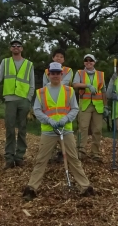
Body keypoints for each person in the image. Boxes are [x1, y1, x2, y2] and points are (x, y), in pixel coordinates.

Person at [23, 62, 93, 200]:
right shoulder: (41, 92)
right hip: (48, 131)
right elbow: (37, 110)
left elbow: (75, 109)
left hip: (65, 130)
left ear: (62, 74)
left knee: (73, 158)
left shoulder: (69, 91)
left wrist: (66, 119)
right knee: (41, 160)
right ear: (48, 75)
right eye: (52, 73)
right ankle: (31, 188)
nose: (55, 75)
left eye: (57, 73)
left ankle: (85, 187)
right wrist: (49, 120)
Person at [0, 39, 34, 169]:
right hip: (10, 100)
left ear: (22, 49)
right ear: (10, 49)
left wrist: (28, 98)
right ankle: (9, 158)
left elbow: (31, 83)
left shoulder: (29, 64)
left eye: (18, 46)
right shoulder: (5, 62)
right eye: (13, 46)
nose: (15, 47)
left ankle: (19, 157)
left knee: (22, 129)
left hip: (23, 100)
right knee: (9, 129)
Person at [72, 54, 105, 161]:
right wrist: (87, 86)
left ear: (94, 62)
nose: (88, 62)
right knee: (83, 128)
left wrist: (106, 106)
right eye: (86, 60)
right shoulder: (80, 73)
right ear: (84, 62)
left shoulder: (100, 74)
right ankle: (80, 151)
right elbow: (75, 84)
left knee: (97, 130)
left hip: (98, 106)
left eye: (91, 60)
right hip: (85, 105)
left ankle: (95, 153)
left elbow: (103, 91)